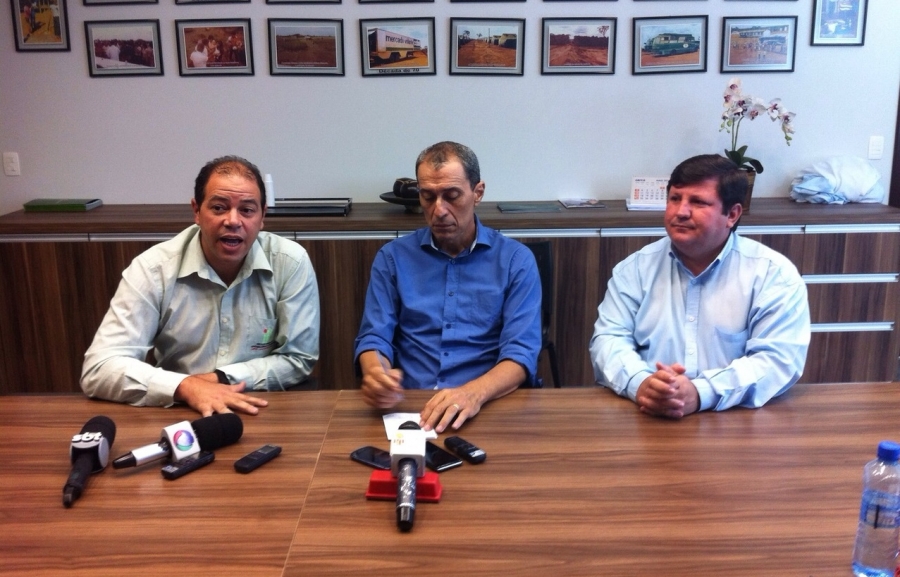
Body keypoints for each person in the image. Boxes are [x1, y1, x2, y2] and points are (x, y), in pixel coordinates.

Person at [81, 156, 320, 417]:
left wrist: (219, 379)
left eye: (247, 210)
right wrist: (185, 386)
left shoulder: (289, 262)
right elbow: (99, 368)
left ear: (262, 215)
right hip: (179, 410)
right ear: (196, 211)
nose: (233, 220)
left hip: (261, 407)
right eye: (219, 208)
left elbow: (298, 358)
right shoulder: (154, 269)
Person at [589, 154, 810, 419]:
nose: (680, 212)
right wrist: (642, 384)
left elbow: (777, 360)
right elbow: (608, 340)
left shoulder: (773, 275)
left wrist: (700, 392)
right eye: (675, 198)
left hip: (735, 422)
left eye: (697, 202)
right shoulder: (634, 269)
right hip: (647, 415)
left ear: (732, 214)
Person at [354, 141, 542, 433]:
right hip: (409, 404)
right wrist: (377, 374)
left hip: (485, 403)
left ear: (477, 192)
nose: (439, 210)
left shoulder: (515, 261)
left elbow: (521, 354)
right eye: (428, 197)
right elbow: (374, 337)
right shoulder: (393, 258)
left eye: (452, 196)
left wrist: (473, 393)